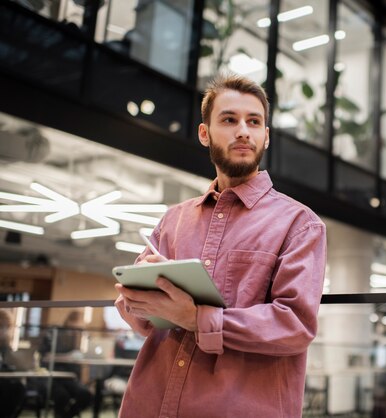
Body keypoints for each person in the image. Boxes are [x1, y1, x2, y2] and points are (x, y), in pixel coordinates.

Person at [114, 73, 327, 417]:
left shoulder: (300, 224)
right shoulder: (174, 219)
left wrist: (198, 318)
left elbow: (295, 325)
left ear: (266, 137)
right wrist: (135, 299)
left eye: (254, 121)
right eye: (229, 119)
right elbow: (140, 318)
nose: (243, 130)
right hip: (148, 404)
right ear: (204, 133)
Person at [37, 310, 93, 418]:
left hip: (69, 377)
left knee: (86, 395)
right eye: (75, 329)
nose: (76, 332)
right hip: (52, 376)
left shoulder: (76, 337)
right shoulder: (53, 332)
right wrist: (68, 356)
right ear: (69, 322)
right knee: (62, 396)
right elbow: (44, 357)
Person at [0, 309, 26, 418]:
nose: (5, 330)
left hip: (4, 376)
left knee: (19, 386)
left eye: (7, 327)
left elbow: (9, 359)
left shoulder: (5, 344)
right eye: (2, 326)